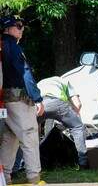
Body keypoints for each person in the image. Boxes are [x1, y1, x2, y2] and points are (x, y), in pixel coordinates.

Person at [0, 15, 44, 184]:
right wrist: (37, 98)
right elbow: (25, 73)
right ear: (8, 29)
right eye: (18, 26)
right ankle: (34, 177)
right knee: (30, 136)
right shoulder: (13, 46)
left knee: (10, 138)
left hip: (4, 101)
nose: (22, 29)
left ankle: (5, 177)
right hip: (18, 100)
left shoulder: (2, 46)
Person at [37, 76, 88, 169]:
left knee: (30, 133)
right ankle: (83, 162)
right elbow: (78, 104)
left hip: (39, 105)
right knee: (77, 127)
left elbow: (38, 128)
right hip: (58, 104)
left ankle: (34, 165)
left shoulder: (39, 83)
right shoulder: (64, 81)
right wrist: (73, 119)